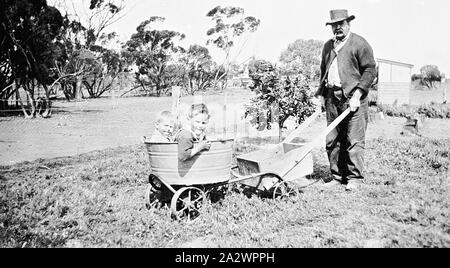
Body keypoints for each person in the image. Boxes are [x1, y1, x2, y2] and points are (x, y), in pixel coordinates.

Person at [315, 9, 377, 191]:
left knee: (354, 140)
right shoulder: (328, 46)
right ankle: (337, 176)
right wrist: (321, 95)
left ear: (349, 24)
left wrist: (357, 94)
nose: (337, 28)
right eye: (334, 25)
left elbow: (370, 71)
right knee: (332, 140)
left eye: (341, 24)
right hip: (331, 99)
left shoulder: (359, 43)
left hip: (354, 99)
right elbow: (322, 71)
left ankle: (354, 178)